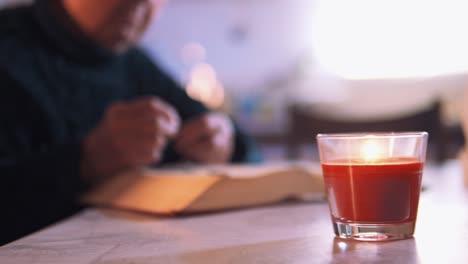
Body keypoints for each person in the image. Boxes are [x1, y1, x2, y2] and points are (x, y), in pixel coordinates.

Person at [0, 0, 260, 245]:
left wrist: (225, 141)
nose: (138, 10)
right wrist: (87, 160)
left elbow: (240, 144)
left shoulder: (134, 63)